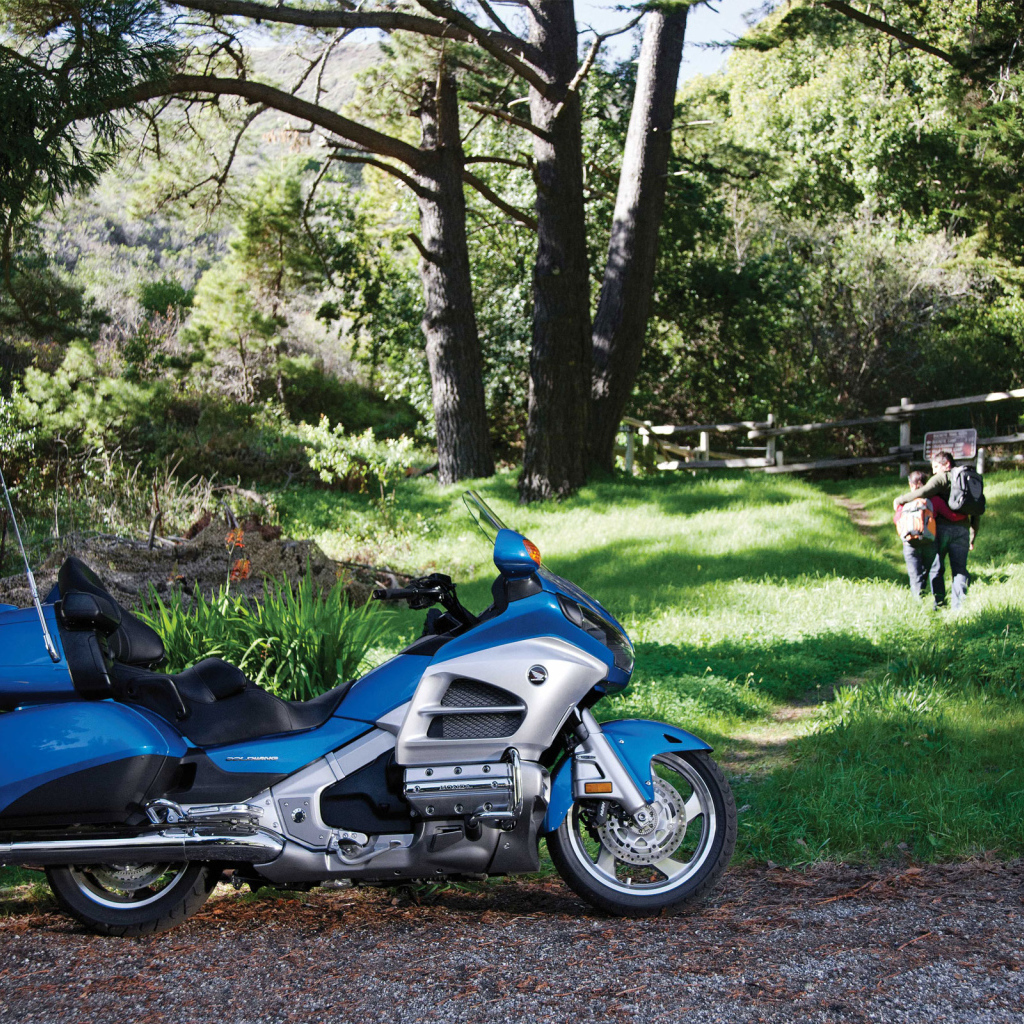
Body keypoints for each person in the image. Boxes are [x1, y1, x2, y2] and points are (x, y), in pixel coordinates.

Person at [893, 451, 980, 610]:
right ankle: (958, 609)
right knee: (960, 570)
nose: (933, 471)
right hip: (963, 530)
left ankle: (939, 604)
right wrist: (973, 536)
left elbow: (923, 492)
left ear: (947, 464)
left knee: (937, 567)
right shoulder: (967, 479)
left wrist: (900, 500)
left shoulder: (943, 477)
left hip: (941, 529)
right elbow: (977, 510)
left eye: (936, 466)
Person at [893, 471, 935, 599]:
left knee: (914, 575)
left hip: (910, 542)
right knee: (926, 572)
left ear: (910, 484)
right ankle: (928, 596)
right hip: (928, 541)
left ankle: (918, 602)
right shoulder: (931, 499)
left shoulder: (904, 502)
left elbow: (897, 519)